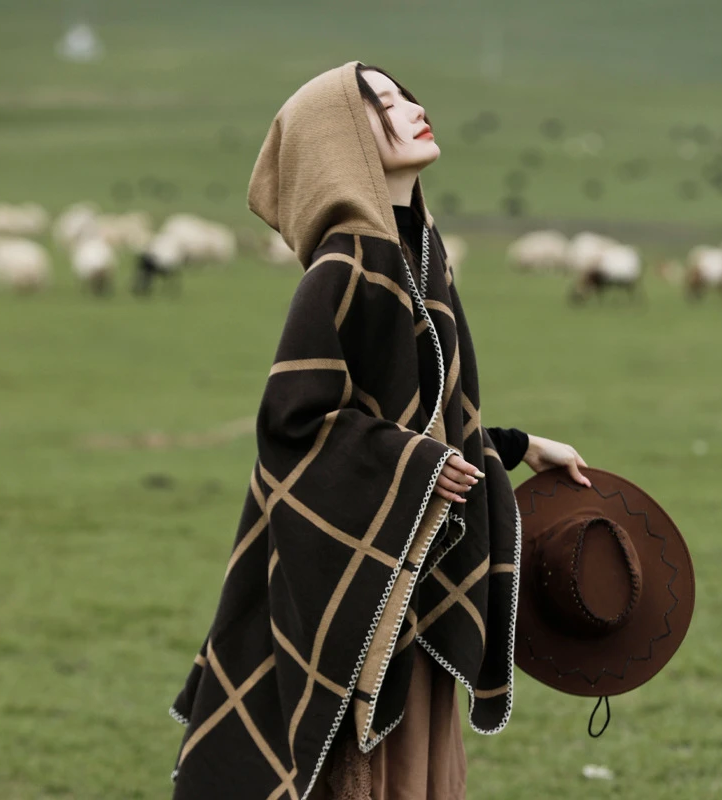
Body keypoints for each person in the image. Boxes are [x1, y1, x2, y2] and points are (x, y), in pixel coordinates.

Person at [168, 61, 590, 800]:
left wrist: (516, 447)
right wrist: (417, 467)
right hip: (363, 589)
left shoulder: (423, 260)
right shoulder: (346, 265)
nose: (413, 108)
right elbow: (296, 425)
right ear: (341, 140)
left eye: (406, 96)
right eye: (384, 104)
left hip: (412, 576)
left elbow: (422, 419)